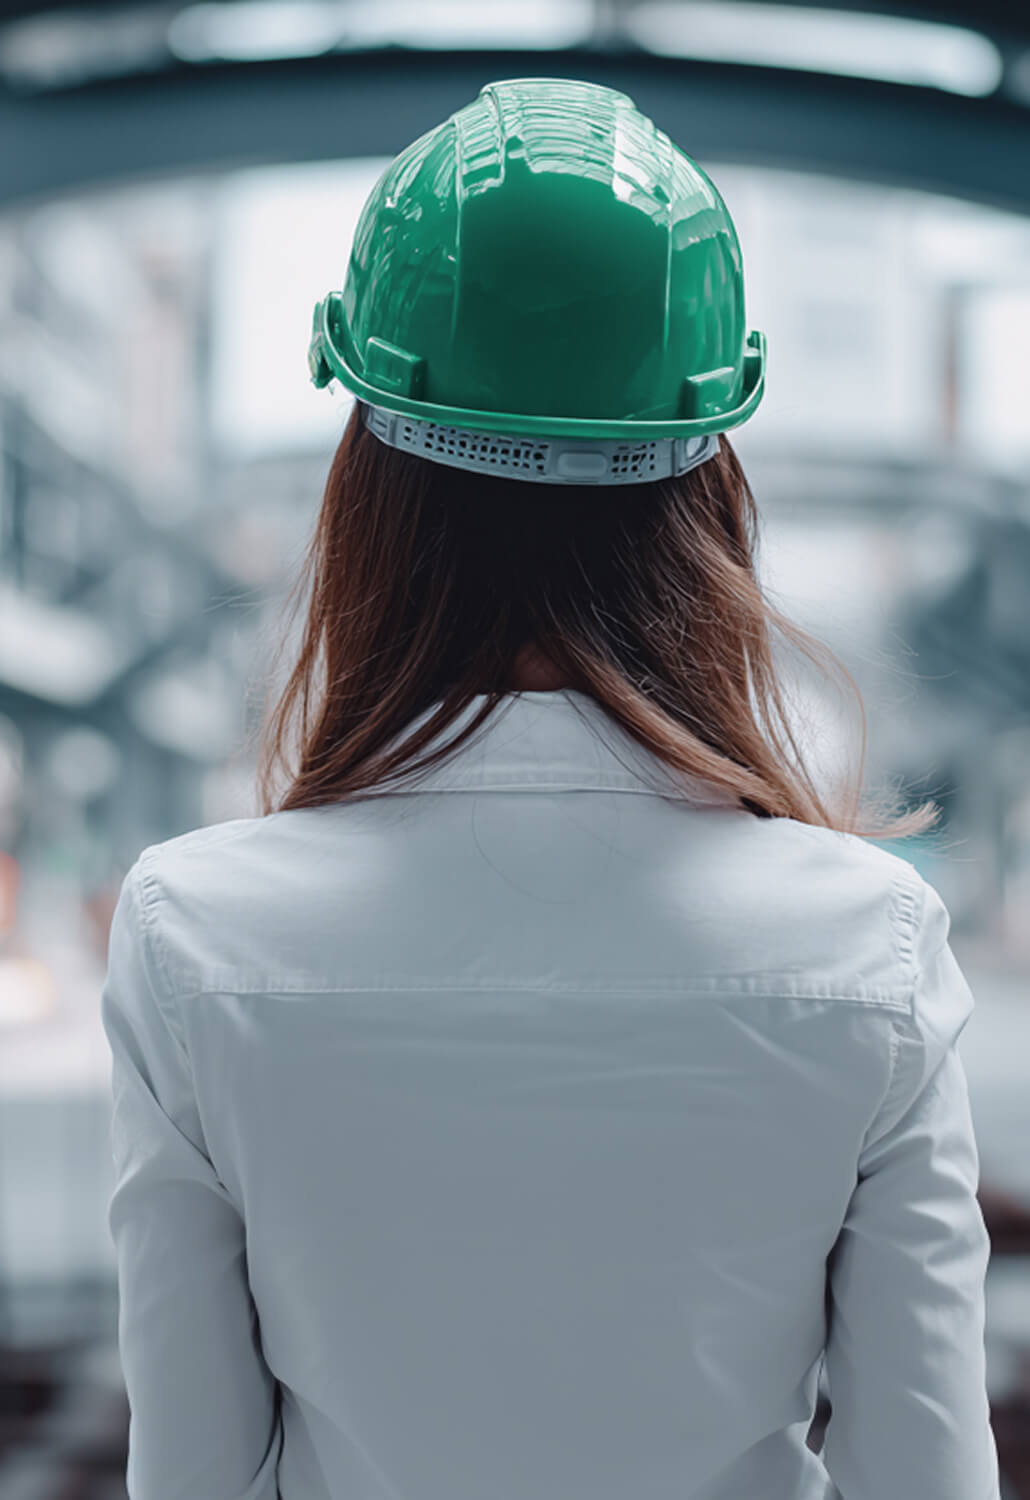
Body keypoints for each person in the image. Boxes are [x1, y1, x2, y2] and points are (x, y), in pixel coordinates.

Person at [101, 78, 1001, 1500]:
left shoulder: (191, 933)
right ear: (706, 488)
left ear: (367, 490)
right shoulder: (867, 945)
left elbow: (195, 1473)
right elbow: (921, 1472)